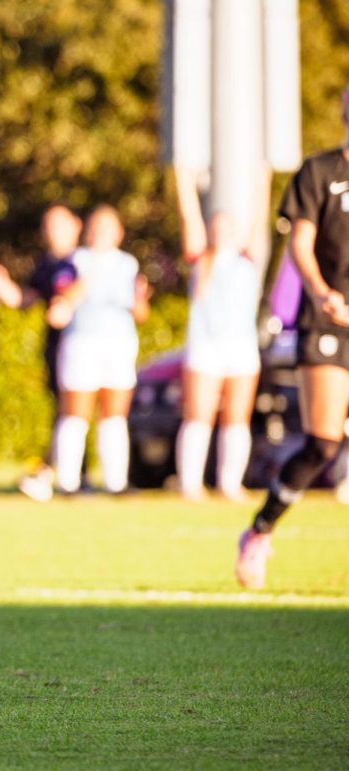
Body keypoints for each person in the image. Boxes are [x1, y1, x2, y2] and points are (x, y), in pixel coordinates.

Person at [236, 88, 349, 588]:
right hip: (327, 323)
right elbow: (299, 245)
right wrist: (322, 293)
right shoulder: (319, 172)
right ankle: (259, 532)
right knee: (324, 443)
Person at [173, 165, 267, 501]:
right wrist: (183, 179)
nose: (222, 232)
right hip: (205, 347)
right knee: (198, 415)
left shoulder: (247, 259)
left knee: (237, 418)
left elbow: (260, 219)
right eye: (217, 226)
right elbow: (188, 216)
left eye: (228, 227)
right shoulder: (201, 260)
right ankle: (191, 484)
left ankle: (230, 484)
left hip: (241, 349)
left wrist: (262, 182)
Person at [0, 205, 82, 500]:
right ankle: (67, 476)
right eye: (48, 226)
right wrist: (1, 286)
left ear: (76, 225)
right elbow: (25, 300)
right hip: (59, 347)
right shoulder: (47, 265)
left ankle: (58, 473)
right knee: (65, 408)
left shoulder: (87, 261)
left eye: (59, 225)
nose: (52, 233)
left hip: (92, 344)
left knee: (78, 409)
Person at [47, 206, 152, 495]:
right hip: (83, 342)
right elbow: (61, 298)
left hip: (118, 344)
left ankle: (115, 482)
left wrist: (140, 298)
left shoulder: (128, 265)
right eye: (97, 228)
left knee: (114, 415)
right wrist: (89, 278)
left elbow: (140, 310)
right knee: (76, 414)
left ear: (119, 233)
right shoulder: (76, 261)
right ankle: (68, 482)